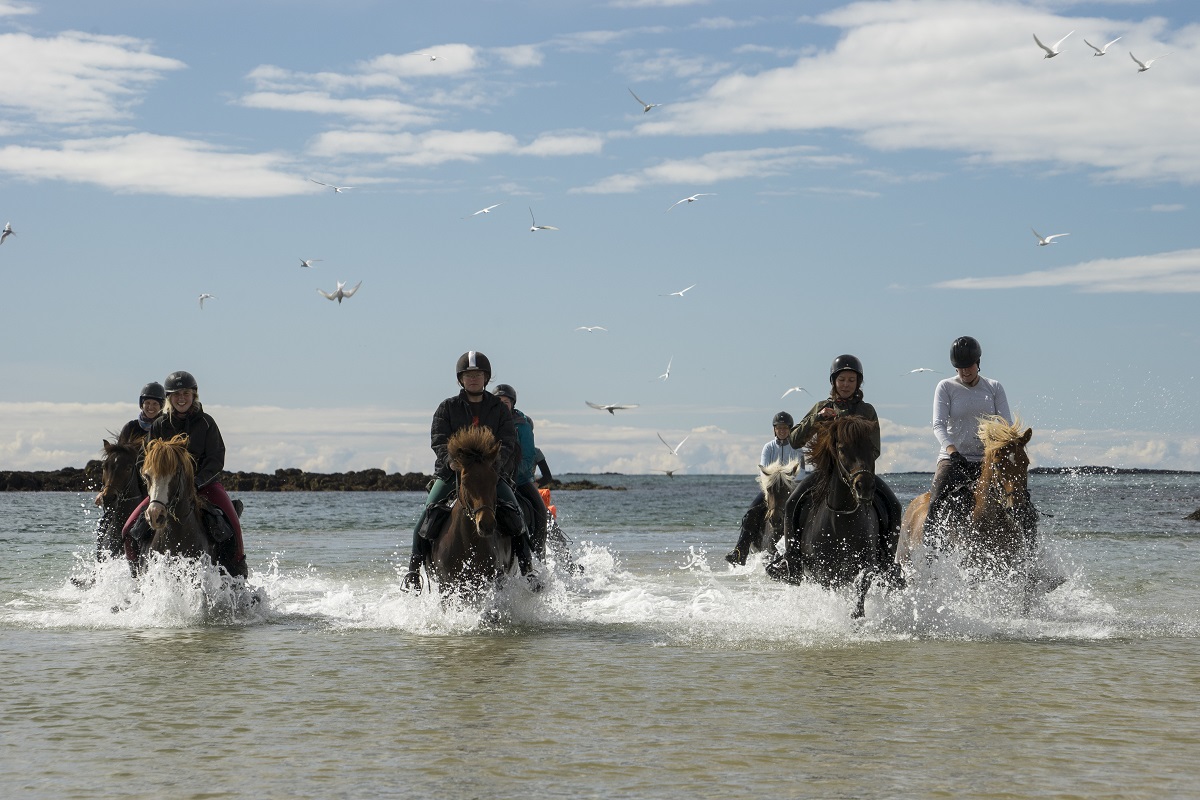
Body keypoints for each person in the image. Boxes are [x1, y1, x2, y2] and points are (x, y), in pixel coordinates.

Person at [403, 352, 538, 590]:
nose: (473, 379)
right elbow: (438, 440)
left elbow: (507, 440)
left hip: (490, 474)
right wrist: (451, 462)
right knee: (428, 513)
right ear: (461, 379)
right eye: (468, 375)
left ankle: (527, 569)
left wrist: (495, 464)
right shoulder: (447, 407)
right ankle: (413, 572)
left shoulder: (498, 408)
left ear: (485, 378)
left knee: (515, 513)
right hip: (452, 473)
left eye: (477, 375)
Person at [775, 355, 903, 568]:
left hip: (857, 471)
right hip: (826, 473)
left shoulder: (866, 411)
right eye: (842, 379)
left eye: (851, 380)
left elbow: (875, 449)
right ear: (833, 381)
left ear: (858, 383)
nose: (846, 385)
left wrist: (856, 467)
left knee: (895, 506)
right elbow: (795, 440)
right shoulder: (821, 407)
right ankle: (791, 560)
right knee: (791, 504)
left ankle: (889, 565)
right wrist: (816, 420)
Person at [121, 370, 247, 578]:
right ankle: (136, 577)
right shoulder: (160, 425)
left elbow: (216, 459)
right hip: (165, 486)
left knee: (232, 524)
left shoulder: (207, 423)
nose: (181, 399)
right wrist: (152, 482)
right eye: (176, 394)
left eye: (186, 394)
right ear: (169, 398)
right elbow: (144, 459)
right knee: (127, 530)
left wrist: (196, 483)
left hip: (204, 485)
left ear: (194, 395)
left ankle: (238, 573)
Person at [923, 336, 1013, 540]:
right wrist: (952, 452)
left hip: (986, 460)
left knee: (1017, 497)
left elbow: (1006, 424)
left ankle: (1027, 548)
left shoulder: (994, 387)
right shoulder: (945, 387)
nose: (965, 371)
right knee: (936, 500)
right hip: (953, 459)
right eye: (960, 367)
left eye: (969, 366)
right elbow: (938, 424)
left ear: (978, 363)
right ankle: (928, 548)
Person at [724, 411, 806, 565]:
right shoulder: (768, 447)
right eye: (778, 428)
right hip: (772, 488)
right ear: (774, 429)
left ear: (790, 429)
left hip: (792, 487)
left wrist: (786, 478)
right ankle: (740, 551)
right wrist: (777, 477)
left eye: (785, 428)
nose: (782, 431)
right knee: (751, 512)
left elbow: (800, 472)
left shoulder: (797, 447)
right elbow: (764, 470)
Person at [493, 383, 550, 558]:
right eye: (498, 401)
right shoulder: (488, 421)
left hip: (521, 480)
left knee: (541, 513)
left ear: (512, 404)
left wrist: (510, 476)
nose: (502, 404)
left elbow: (527, 457)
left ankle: (539, 556)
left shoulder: (523, 425)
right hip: (493, 478)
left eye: (506, 401)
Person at [93, 381, 163, 509]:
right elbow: (117, 461)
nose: (150, 407)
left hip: (155, 479)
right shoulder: (131, 427)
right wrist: (103, 490)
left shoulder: (165, 427)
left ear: (161, 406)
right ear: (142, 404)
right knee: (107, 519)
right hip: (129, 481)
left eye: (155, 404)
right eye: (147, 403)